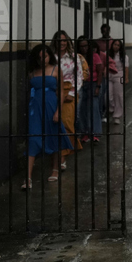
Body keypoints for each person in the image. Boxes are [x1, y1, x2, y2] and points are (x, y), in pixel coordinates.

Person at [25, 44, 73, 188]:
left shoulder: (56, 69)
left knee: (54, 136)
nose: (42, 60)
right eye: (39, 57)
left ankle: (55, 170)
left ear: (49, 56)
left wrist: (59, 111)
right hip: (36, 108)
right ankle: (27, 178)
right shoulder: (32, 72)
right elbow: (30, 91)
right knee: (33, 139)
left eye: (45, 56)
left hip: (52, 106)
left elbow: (61, 91)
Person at [51, 30, 84, 170]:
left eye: (64, 40)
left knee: (67, 123)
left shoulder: (73, 57)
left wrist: (72, 92)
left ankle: (63, 157)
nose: (62, 43)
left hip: (69, 91)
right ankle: (57, 156)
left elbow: (79, 76)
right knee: (54, 124)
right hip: (53, 92)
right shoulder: (51, 57)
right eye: (59, 40)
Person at [75, 36, 103, 144]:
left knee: (93, 108)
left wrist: (98, 87)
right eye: (81, 46)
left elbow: (100, 72)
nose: (84, 48)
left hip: (93, 83)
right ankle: (85, 132)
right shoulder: (77, 57)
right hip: (81, 84)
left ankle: (95, 133)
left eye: (85, 46)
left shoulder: (95, 56)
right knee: (81, 109)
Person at [107, 39, 128, 124]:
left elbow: (126, 67)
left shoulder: (123, 56)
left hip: (119, 75)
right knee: (108, 95)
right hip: (109, 75)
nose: (116, 46)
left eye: (118, 45)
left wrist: (126, 78)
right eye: (114, 44)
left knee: (119, 96)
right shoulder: (108, 54)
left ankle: (117, 116)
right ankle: (112, 108)